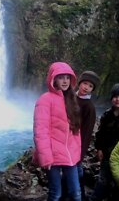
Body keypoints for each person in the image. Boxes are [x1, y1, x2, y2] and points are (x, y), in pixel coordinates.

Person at [33, 61, 82, 201]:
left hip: (70, 154)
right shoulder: (45, 100)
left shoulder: (72, 99)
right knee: (56, 193)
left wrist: (77, 154)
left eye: (67, 77)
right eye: (61, 77)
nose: (65, 81)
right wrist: (46, 157)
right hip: (53, 155)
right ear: (53, 79)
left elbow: (76, 131)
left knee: (76, 192)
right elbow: (40, 131)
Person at [90, 83, 119, 201]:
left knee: (118, 185)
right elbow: (100, 134)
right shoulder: (106, 115)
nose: (118, 99)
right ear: (111, 98)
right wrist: (99, 148)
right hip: (106, 155)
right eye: (115, 96)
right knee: (102, 180)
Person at [62, 70, 101, 200]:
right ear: (79, 83)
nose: (86, 87)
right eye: (85, 83)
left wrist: (81, 152)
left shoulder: (89, 107)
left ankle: (79, 195)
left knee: (76, 170)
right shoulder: (70, 96)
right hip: (65, 140)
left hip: (77, 145)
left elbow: (87, 132)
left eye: (90, 86)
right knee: (71, 171)